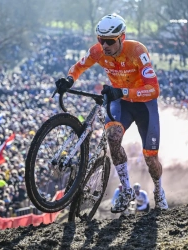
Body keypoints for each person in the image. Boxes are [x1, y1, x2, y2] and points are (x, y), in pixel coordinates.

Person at [55, 13, 168, 213]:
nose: (104, 45)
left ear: (121, 37)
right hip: (121, 102)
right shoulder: (98, 51)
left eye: (109, 41)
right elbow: (80, 66)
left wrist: (123, 91)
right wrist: (69, 79)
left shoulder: (137, 51)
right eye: (100, 40)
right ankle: (126, 190)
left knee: (150, 158)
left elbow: (154, 89)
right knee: (112, 137)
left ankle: (159, 190)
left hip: (144, 103)